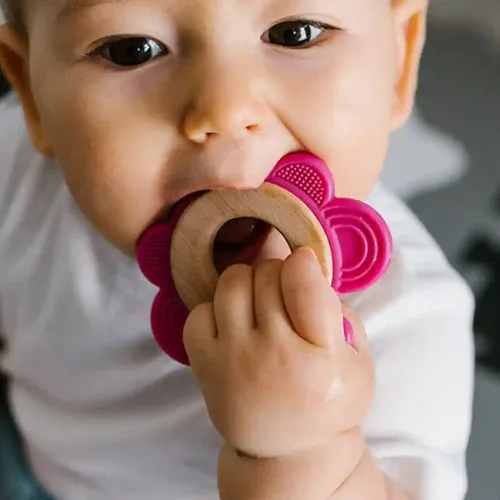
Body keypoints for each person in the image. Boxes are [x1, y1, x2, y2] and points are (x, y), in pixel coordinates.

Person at [0, 0, 475, 499]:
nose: (224, 111)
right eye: (131, 50)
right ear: (32, 91)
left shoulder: (408, 318)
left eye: (295, 33)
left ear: (398, 64)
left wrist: (305, 451)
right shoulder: (18, 176)